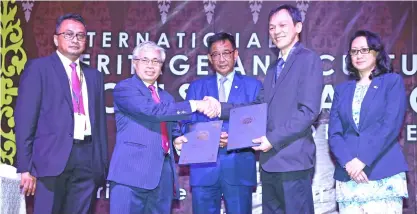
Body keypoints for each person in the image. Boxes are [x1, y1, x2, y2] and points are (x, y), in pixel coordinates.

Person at [200, 4, 323, 213]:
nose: (276, 31)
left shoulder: (308, 59)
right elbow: (258, 107)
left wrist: (272, 139)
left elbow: (308, 112)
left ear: (298, 27)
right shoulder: (274, 67)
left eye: (282, 25)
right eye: (272, 27)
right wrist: (219, 108)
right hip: (270, 163)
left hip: (293, 161)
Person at [107, 41, 217, 214]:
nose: (150, 66)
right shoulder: (125, 88)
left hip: (163, 179)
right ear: (135, 63)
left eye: (156, 61)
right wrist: (195, 104)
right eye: (145, 60)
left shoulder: (166, 97)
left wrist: (178, 142)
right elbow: (152, 111)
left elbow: (173, 132)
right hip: (131, 177)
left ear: (162, 67)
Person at [15, 13, 108, 214]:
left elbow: (100, 124)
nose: (75, 40)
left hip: (87, 160)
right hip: (50, 160)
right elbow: (24, 121)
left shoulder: (94, 76)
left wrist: (100, 166)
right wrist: (25, 167)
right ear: (56, 39)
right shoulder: (38, 69)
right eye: (69, 34)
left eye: (80, 36)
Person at [178, 32, 262, 214]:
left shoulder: (252, 86)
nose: (222, 59)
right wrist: (211, 138)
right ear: (209, 58)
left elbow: (258, 126)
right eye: (216, 54)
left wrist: (232, 139)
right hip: (204, 170)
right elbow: (185, 126)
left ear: (235, 54)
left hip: (238, 168)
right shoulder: (196, 88)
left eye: (226, 53)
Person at [328, 30, 408, 213]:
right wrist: (349, 163)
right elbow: (334, 134)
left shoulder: (391, 82)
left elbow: (390, 126)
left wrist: (362, 159)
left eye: (364, 50)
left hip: (382, 172)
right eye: (354, 51)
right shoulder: (342, 90)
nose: (358, 55)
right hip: (348, 176)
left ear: (376, 52)